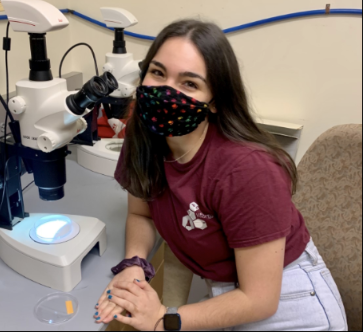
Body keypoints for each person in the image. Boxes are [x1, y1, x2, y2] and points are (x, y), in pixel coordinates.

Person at [93, 20, 348, 331]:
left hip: (287, 301)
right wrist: (135, 265)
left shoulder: (247, 169)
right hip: (226, 291)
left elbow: (259, 299)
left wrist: (162, 320)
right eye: (158, 73)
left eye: (189, 83)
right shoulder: (144, 136)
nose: (165, 92)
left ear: (215, 101)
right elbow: (140, 213)